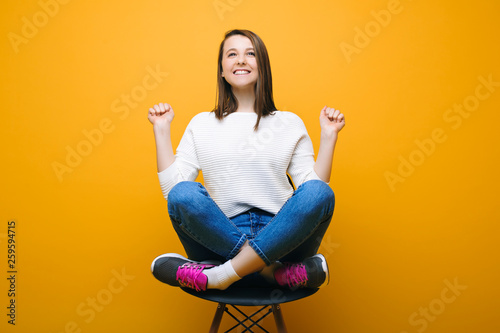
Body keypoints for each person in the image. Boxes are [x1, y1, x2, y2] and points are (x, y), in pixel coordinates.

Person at [148, 29, 345, 292]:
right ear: (222, 69)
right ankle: (271, 272)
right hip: (220, 236)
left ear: (262, 65)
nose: (241, 60)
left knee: (320, 192)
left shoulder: (288, 122)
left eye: (250, 54)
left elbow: (313, 192)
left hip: (283, 237)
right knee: (183, 193)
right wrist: (161, 130)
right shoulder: (201, 124)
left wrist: (329, 137)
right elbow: (173, 192)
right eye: (232, 54)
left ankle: (218, 277)